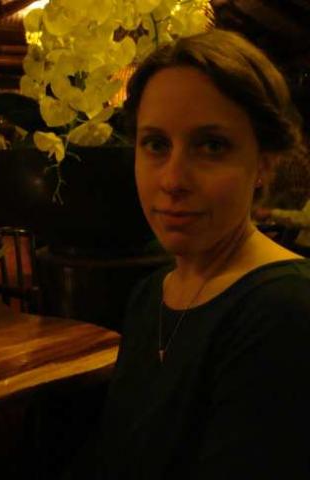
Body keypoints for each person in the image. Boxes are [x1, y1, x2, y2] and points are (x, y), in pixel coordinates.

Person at [71, 29, 310, 479]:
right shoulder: (152, 294)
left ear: (264, 162)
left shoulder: (286, 311)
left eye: (211, 146)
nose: (172, 180)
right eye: (156, 144)